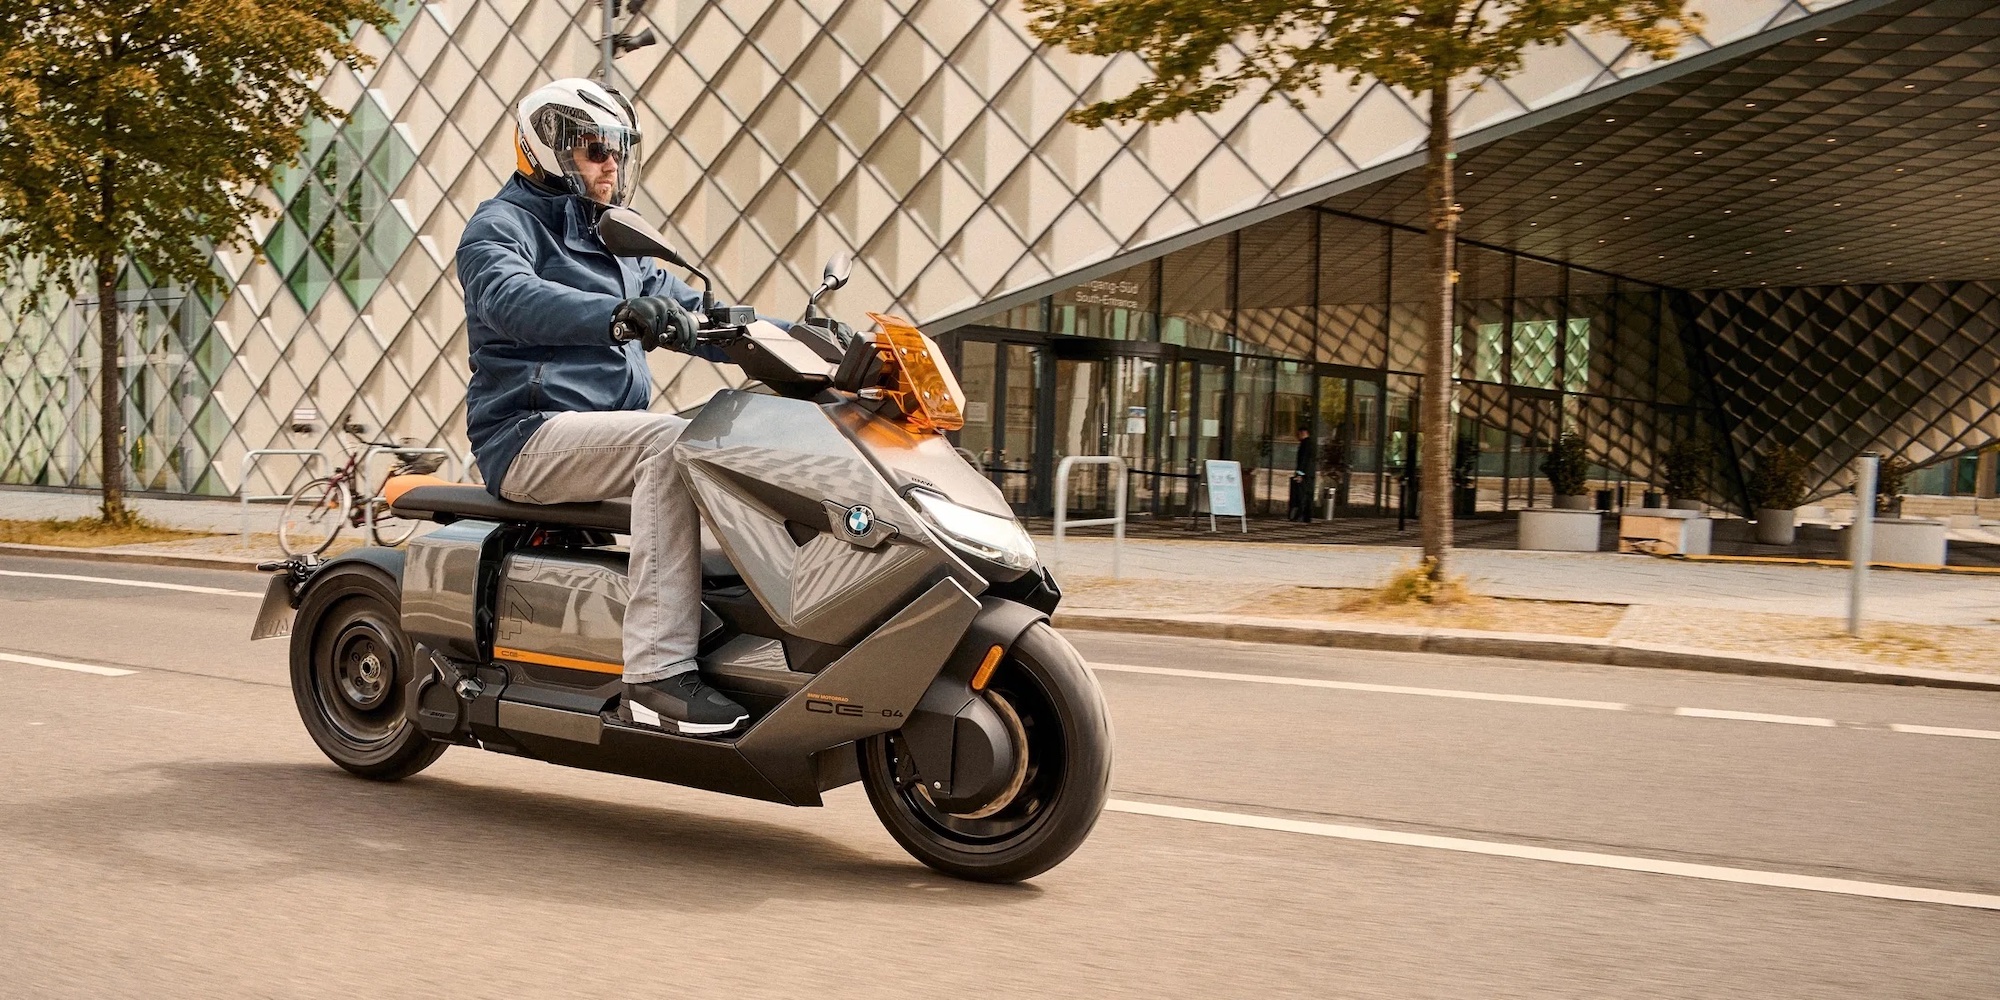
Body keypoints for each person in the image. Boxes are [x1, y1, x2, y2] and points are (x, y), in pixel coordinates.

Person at [455, 78, 755, 736]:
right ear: (551, 150)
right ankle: (656, 676)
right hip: (528, 436)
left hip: (593, 442)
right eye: (596, 150)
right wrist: (618, 317)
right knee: (670, 443)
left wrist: (810, 341)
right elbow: (513, 300)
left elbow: (702, 315)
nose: (611, 164)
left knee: (740, 430)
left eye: (618, 151)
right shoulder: (500, 228)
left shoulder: (616, 245)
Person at [1287, 427, 1314, 522]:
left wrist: (1300, 474)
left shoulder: (1305, 444)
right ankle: (1307, 516)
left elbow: (1303, 460)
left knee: (1302, 495)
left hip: (1304, 473)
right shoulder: (1311, 444)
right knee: (1307, 494)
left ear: (1303, 433)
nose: (1297, 437)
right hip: (1309, 473)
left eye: (1298, 434)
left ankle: (1299, 515)